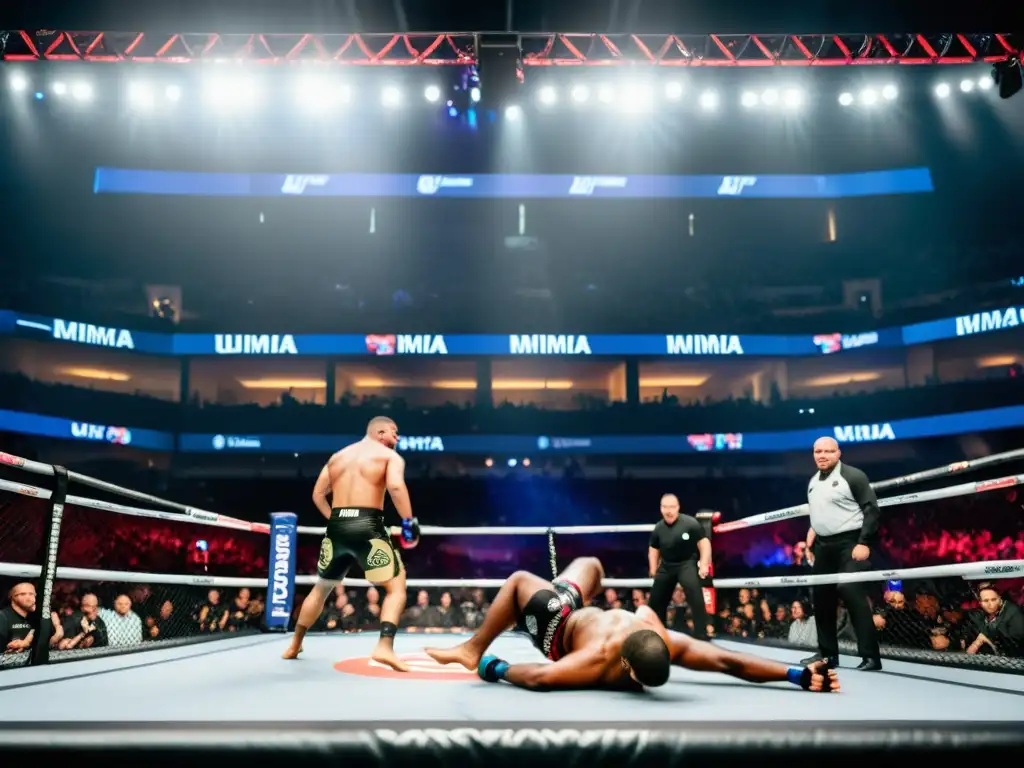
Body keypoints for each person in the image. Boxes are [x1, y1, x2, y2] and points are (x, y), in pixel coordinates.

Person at [425, 557, 838, 693]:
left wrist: (492, 666)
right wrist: (796, 675)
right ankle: (557, 592)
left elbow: (539, 674)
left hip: (559, 629)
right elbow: (727, 662)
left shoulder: (599, 657)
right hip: (578, 608)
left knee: (517, 580)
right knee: (593, 565)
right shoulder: (658, 637)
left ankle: (472, 650)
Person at [282, 416, 420, 670]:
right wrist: (409, 522)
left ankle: (294, 644)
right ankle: (384, 648)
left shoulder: (337, 457)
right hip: (367, 524)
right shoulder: (389, 457)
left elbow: (318, 494)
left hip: (337, 527)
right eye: (394, 432)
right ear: (380, 433)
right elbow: (396, 488)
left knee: (321, 588)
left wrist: (335, 519)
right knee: (397, 587)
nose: (397, 438)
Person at [802, 436, 882, 671]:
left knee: (849, 589)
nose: (822, 455)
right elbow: (822, 510)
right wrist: (812, 530)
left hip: (851, 542)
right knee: (821, 596)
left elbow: (872, 510)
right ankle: (828, 655)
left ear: (839, 453)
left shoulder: (853, 476)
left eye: (828, 451)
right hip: (824, 546)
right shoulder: (813, 481)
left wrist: (864, 541)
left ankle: (870, 656)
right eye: (818, 451)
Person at [647, 494, 712, 641]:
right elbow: (653, 548)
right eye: (665, 507)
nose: (668, 511)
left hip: (686, 563)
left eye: (671, 507)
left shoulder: (690, 523)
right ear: (661, 509)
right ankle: (657, 632)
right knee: (656, 599)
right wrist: (653, 567)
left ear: (678, 508)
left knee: (695, 594)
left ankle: (701, 633)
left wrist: (704, 563)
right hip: (666, 565)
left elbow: (704, 543)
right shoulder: (659, 527)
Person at [0, 582, 63, 654]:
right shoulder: (3, 617)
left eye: (33, 594)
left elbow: (42, 646)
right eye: (24, 594)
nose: (31, 598)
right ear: (12, 597)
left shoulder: (34, 616)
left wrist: (57, 633)